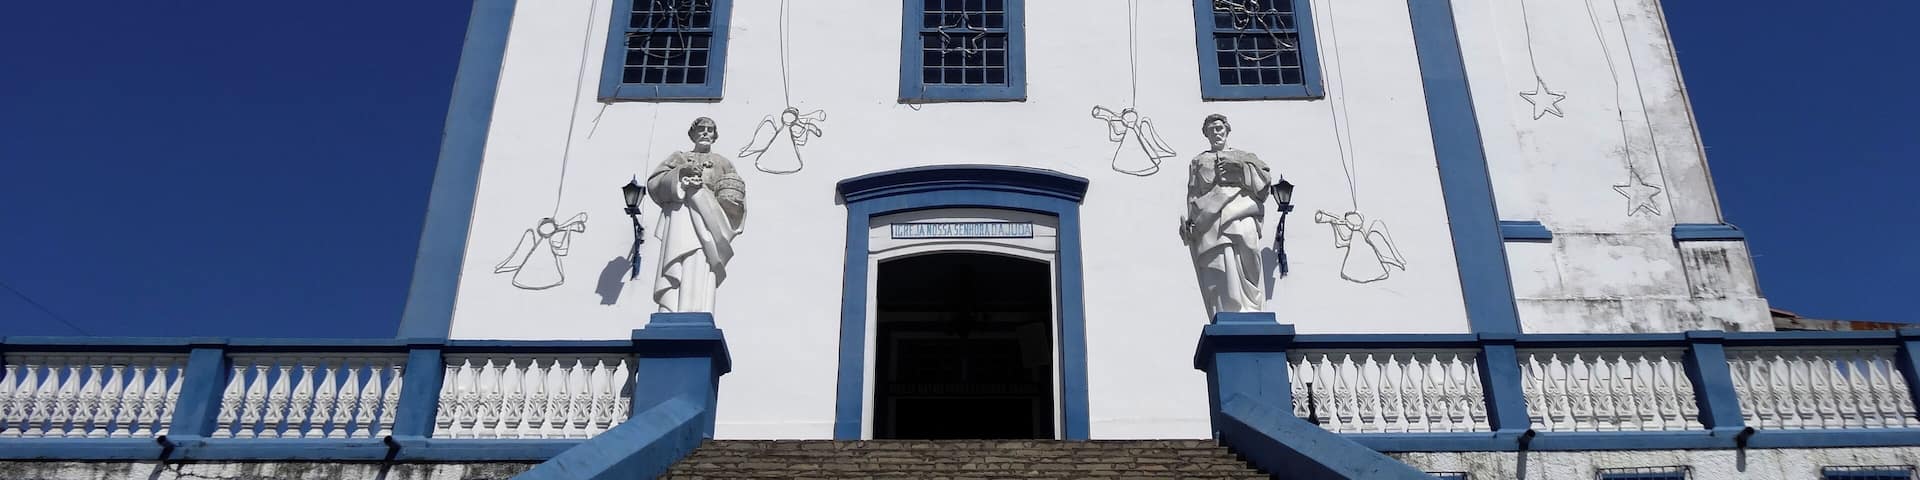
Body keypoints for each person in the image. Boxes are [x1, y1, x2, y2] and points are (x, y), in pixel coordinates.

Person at [648, 117, 747, 312]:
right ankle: (673, 305)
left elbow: (736, 195)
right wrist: (681, 172)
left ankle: (698, 307)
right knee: (678, 253)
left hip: (710, 219)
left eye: (710, 130)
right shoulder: (679, 157)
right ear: (692, 134)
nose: (705, 133)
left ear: (714, 136)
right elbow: (655, 183)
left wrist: (730, 205)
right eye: (701, 129)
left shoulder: (723, 163)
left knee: (703, 259)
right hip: (682, 215)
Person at [1179, 114, 1274, 316]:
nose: (1216, 133)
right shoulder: (1198, 161)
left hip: (1241, 213)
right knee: (1221, 264)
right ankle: (1229, 308)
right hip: (1211, 222)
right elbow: (1194, 194)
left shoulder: (1245, 156)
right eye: (1211, 130)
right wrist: (1190, 224)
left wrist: (1240, 170)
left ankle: (1251, 305)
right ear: (1206, 134)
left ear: (1227, 130)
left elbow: (1264, 184)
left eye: (1219, 128)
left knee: (1248, 250)